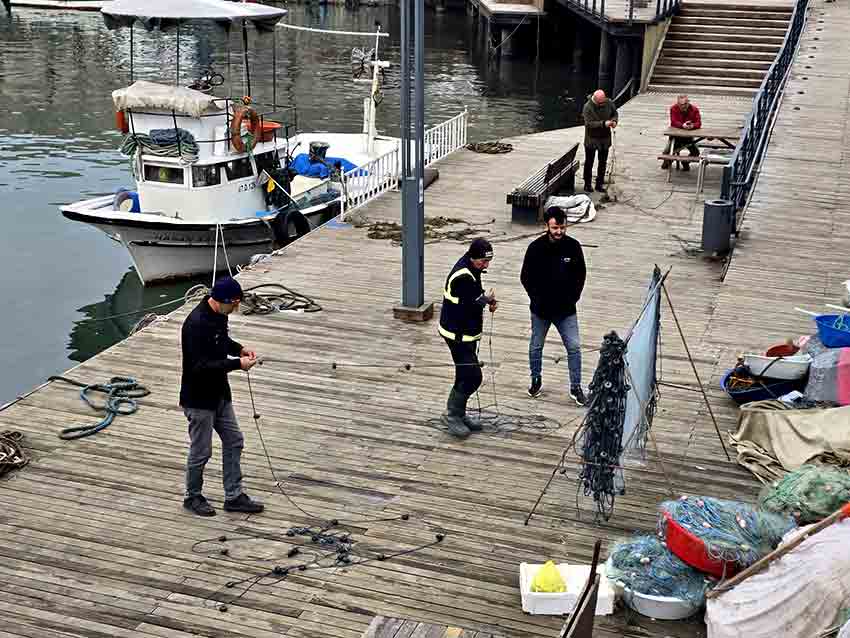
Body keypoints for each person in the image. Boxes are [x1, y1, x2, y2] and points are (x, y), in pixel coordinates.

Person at [180, 276, 264, 517]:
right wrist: (238, 364)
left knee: (235, 440)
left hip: (220, 395)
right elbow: (201, 366)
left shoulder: (219, 314)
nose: (236, 309)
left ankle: (233, 496)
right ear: (221, 300)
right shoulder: (195, 324)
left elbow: (221, 340)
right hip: (198, 400)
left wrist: (238, 349)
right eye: (234, 304)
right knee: (201, 451)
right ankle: (192, 496)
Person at [520, 208, 587, 406]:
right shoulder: (535, 248)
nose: (559, 231)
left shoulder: (574, 247)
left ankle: (576, 387)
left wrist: (573, 298)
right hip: (540, 311)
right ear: (547, 226)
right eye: (555, 227)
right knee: (536, 346)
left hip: (566, 311)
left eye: (562, 227)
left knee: (574, 347)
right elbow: (525, 277)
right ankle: (535, 379)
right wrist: (537, 298)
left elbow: (580, 276)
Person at [438, 238, 498, 439]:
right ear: (473, 257)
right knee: (473, 376)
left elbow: (475, 297)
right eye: (483, 261)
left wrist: (485, 300)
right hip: (457, 334)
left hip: (467, 333)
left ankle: (459, 413)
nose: (486, 265)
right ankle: (452, 414)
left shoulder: (472, 268)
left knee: (464, 374)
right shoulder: (463, 276)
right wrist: (485, 300)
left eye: (488, 261)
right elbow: (469, 304)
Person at [582, 89, 618, 194]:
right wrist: (603, 124)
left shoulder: (608, 102)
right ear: (595, 100)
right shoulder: (587, 107)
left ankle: (599, 183)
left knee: (603, 162)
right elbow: (589, 124)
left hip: (605, 139)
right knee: (589, 162)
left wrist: (614, 121)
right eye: (601, 103)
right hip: (591, 138)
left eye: (604, 102)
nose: (603, 103)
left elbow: (614, 113)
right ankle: (587, 184)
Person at [663, 94, 702, 171]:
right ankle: (668, 161)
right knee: (666, 152)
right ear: (678, 103)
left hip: (688, 137)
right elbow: (673, 122)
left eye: (685, 104)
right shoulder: (673, 108)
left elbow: (698, 123)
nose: (683, 106)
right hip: (675, 136)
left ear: (688, 102)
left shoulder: (694, 109)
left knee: (696, 153)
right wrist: (682, 125)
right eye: (681, 105)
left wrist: (692, 125)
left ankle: (685, 162)